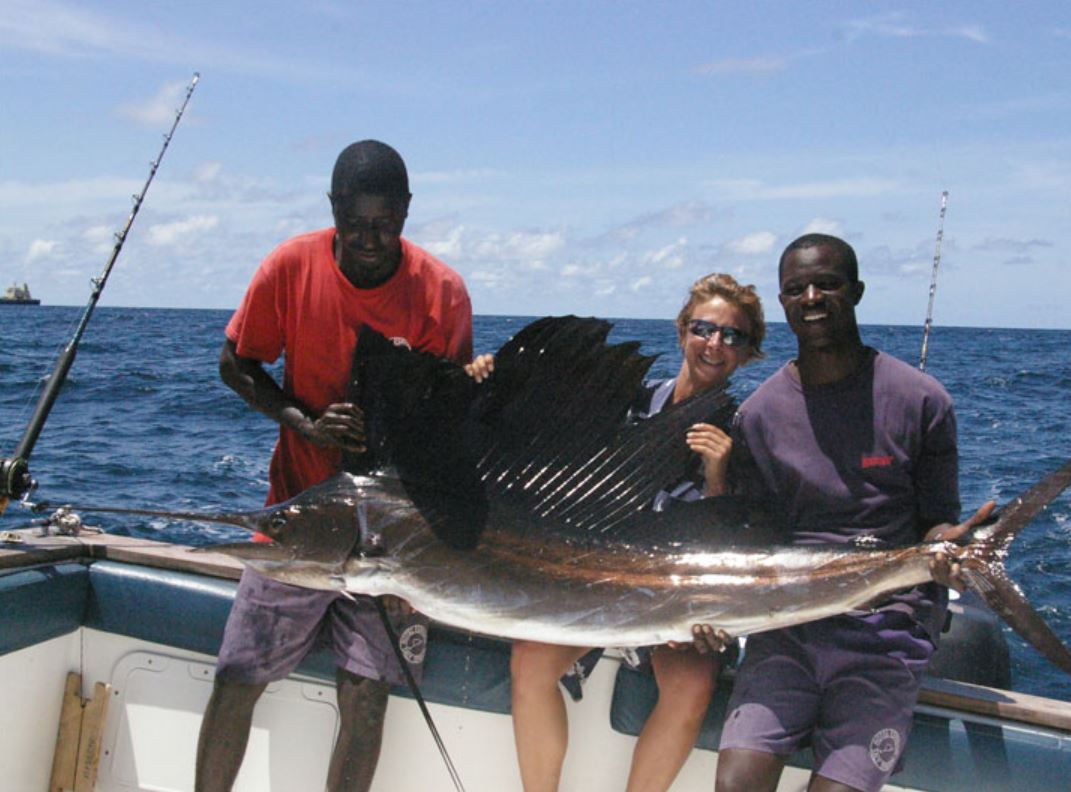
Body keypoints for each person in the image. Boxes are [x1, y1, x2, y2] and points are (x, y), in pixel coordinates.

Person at [195, 140, 479, 792]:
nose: (370, 240)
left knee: (367, 696)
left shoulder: (442, 294)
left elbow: (451, 420)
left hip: (391, 537)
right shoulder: (289, 266)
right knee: (238, 678)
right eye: (355, 226)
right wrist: (305, 422)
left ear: (406, 213)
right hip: (300, 517)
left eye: (384, 225)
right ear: (333, 210)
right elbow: (234, 362)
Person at [709, 234, 992, 792]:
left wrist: (950, 546)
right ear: (783, 301)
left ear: (856, 291)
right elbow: (755, 536)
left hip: (888, 629)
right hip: (788, 624)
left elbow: (936, 521)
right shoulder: (758, 414)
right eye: (796, 288)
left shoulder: (922, 399)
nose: (812, 297)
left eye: (827, 284)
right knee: (736, 783)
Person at [508, 273, 766, 792]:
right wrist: (493, 373)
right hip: (606, 577)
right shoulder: (629, 404)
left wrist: (718, 475)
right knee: (529, 662)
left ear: (747, 353)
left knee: (693, 687)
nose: (715, 344)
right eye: (704, 329)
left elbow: (733, 545)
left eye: (731, 336)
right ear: (682, 332)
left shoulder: (744, 434)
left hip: (680, 592)